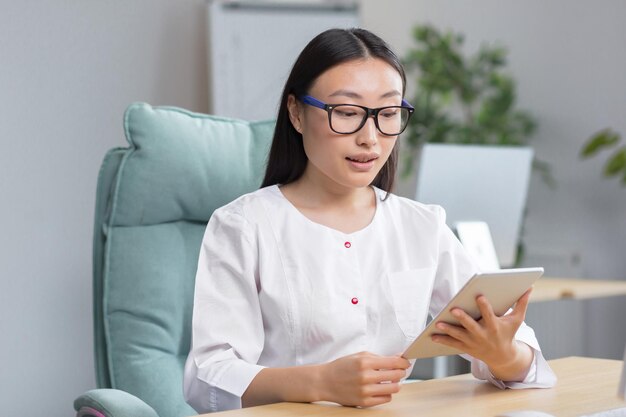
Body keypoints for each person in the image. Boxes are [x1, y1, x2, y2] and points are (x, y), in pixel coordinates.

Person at [183, 27, 556, 413]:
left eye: (388, 114)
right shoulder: (243, 226)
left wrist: (503, 355)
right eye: (346, 113)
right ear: (296, 112)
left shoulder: (422, 226)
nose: (370, 138)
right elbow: (206, 378)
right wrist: (319, 381)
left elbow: (526, 363)